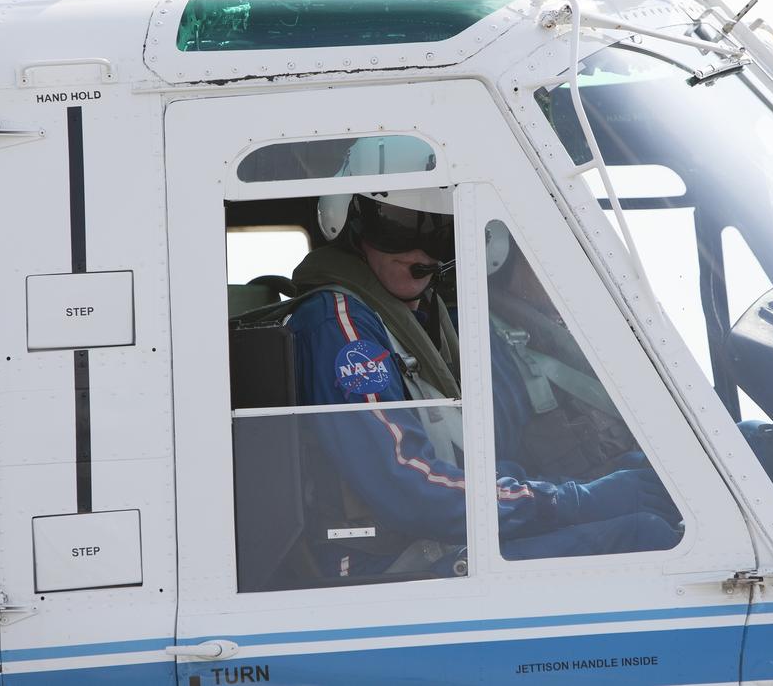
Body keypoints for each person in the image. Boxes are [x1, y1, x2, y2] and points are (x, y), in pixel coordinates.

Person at [285, 137, 681, 581]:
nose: (419, 253)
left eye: (439, 231)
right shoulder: (340, 324)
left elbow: (455, 460)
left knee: (647, 492)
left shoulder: (417, 318)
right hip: (384, 563)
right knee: (644, 538)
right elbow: (405, 484)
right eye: (396, 226)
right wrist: (563, 501)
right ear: (350, 220)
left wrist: (570, 487)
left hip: (437, 534)